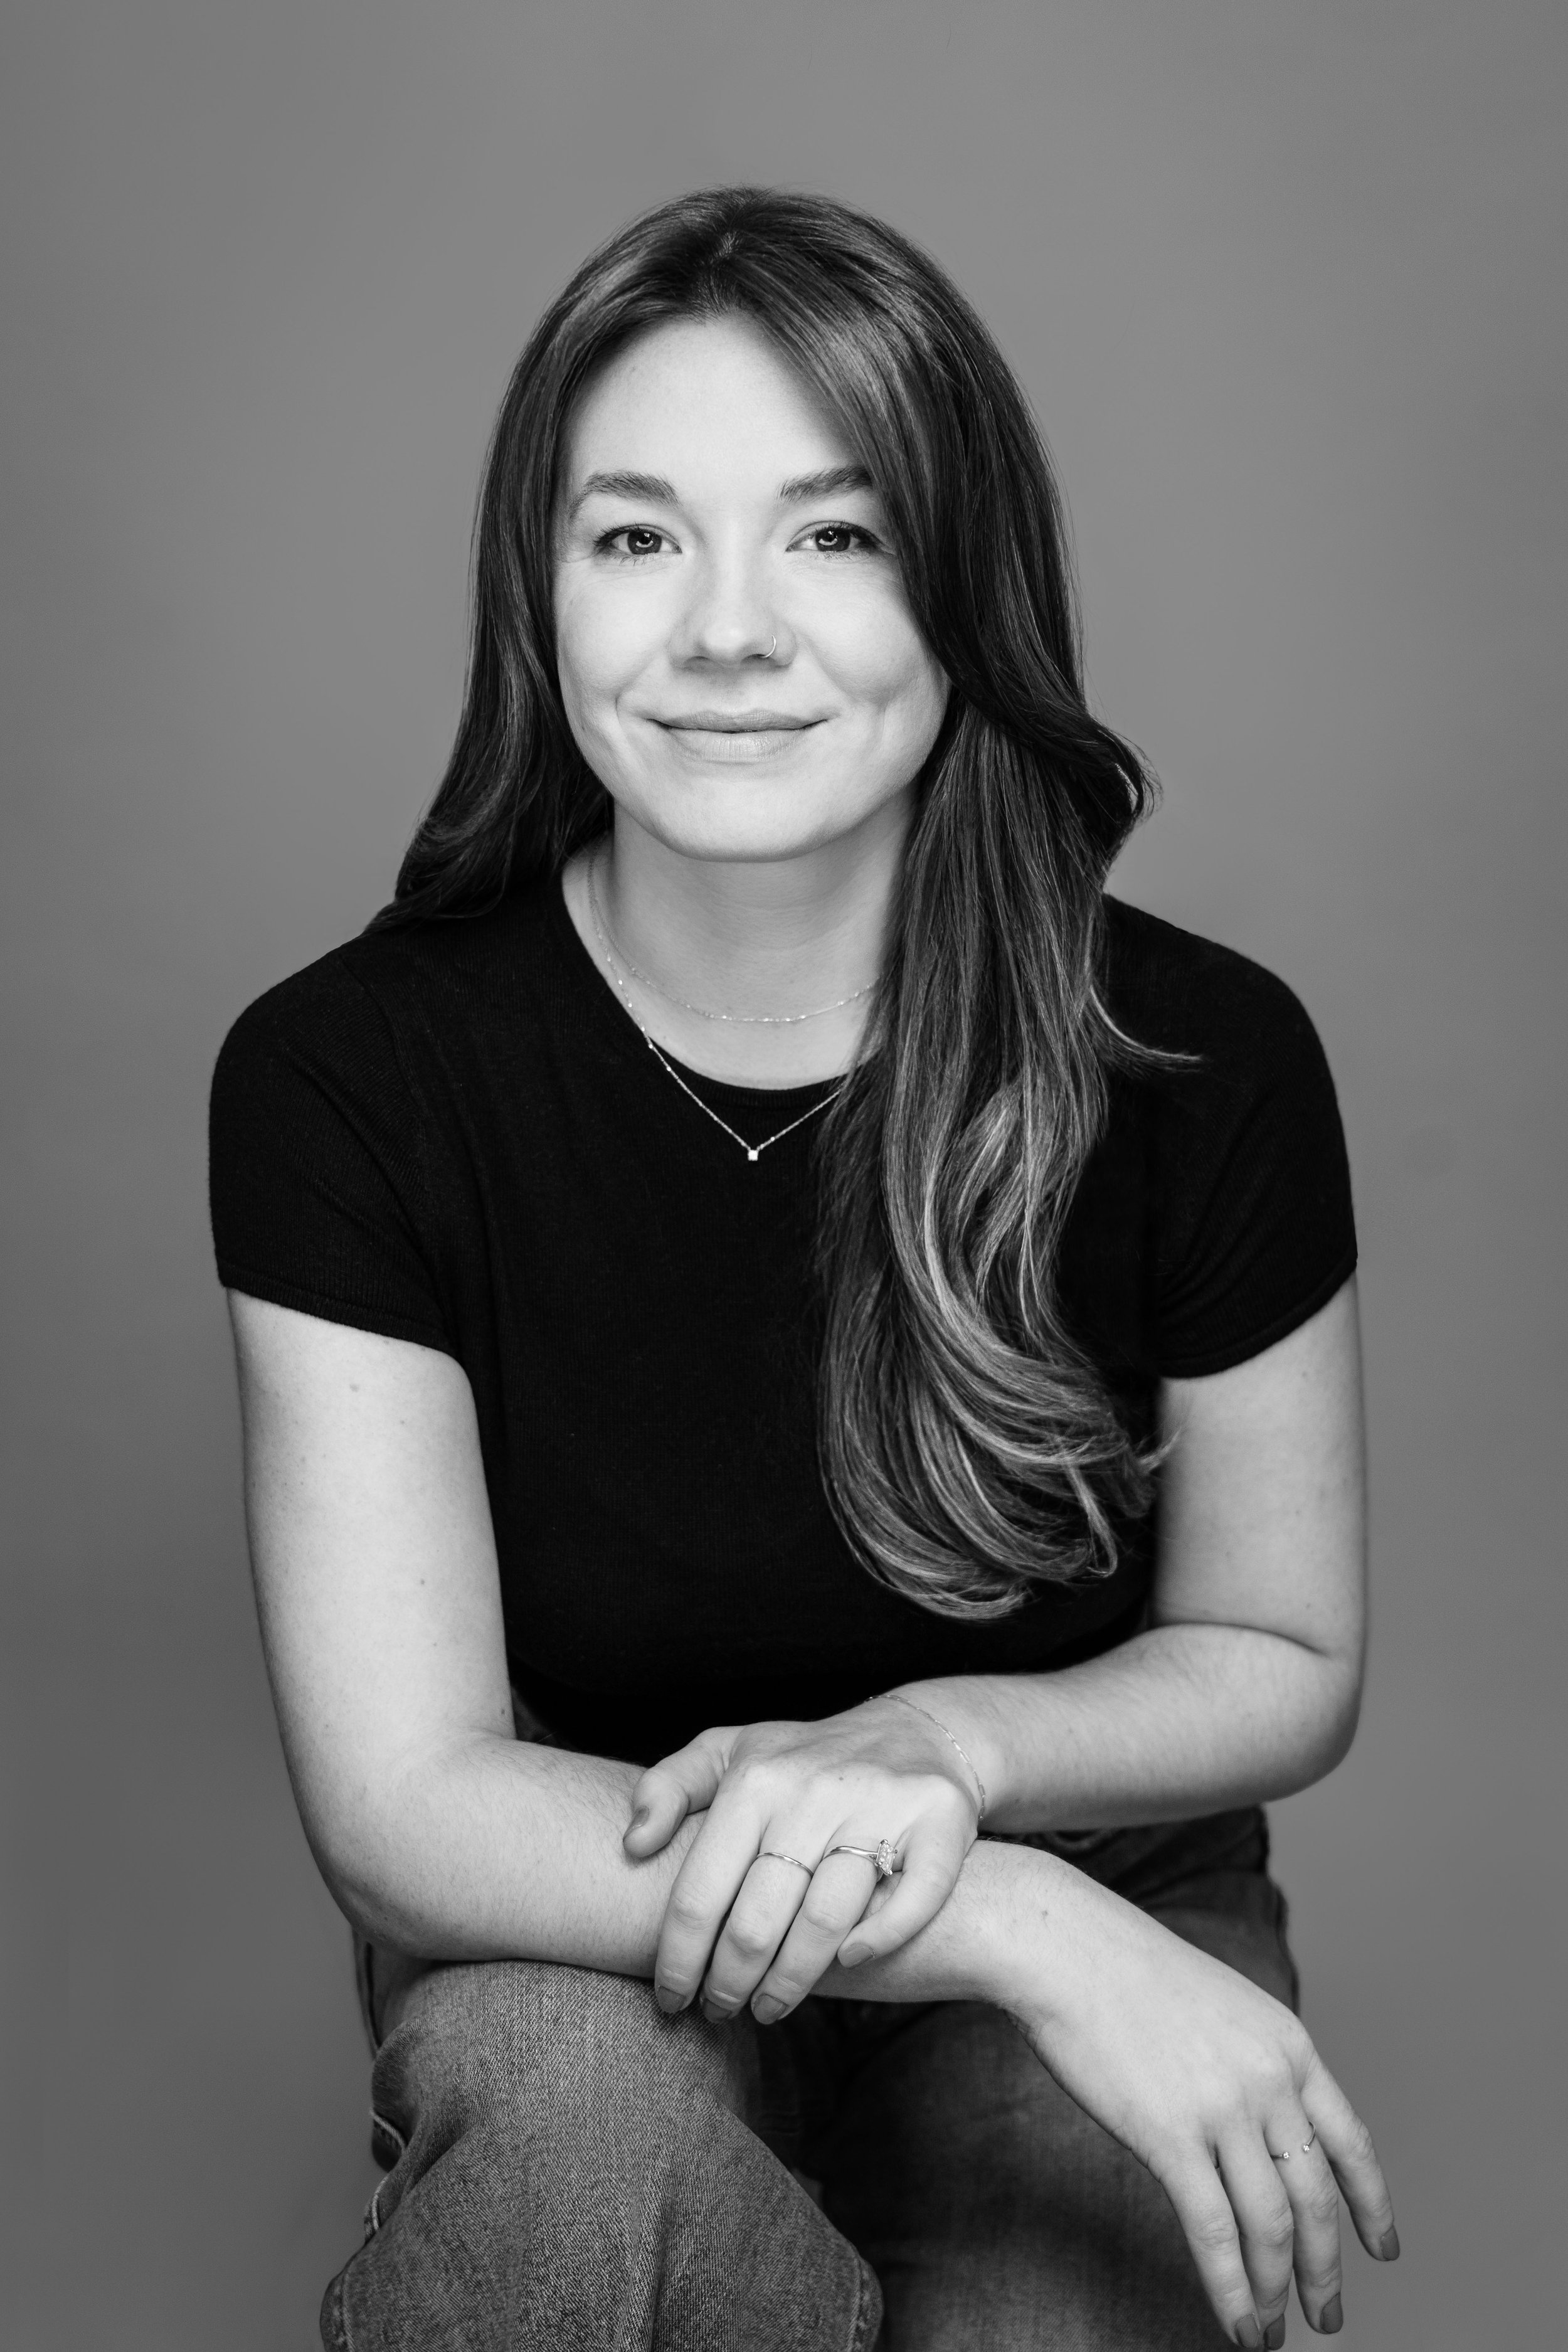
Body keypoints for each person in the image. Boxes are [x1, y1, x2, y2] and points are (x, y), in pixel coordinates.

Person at [209, 187, 1400, 2352]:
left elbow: (1282, 1645)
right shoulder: (347, 1078)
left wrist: (943, 1758)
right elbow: (406, 1808)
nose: (728, 630)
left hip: (1105, 1856)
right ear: (539, 594)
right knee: (566, 2145)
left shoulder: (1206, 1061)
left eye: (834, 537)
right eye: (637, 537)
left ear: (965, 593)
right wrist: (1009, 1926)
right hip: (589, 1895)